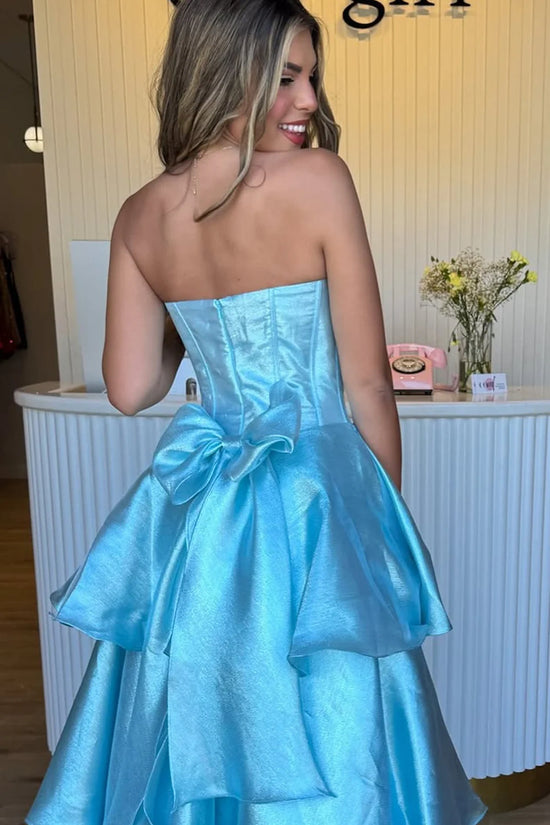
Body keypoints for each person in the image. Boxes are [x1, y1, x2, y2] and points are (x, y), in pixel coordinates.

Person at [26, 1, 488, 823]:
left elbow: (130, 387)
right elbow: (368, 384)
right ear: (221, 72)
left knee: (202, 704)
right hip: (316, 502)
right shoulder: (320, 182)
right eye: (285, 78)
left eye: (312, 77)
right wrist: (383, 523)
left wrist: (192, 315)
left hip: (202, 512)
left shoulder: (141, 214)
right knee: (335, 721)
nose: (309, 100)